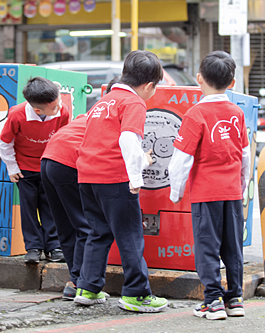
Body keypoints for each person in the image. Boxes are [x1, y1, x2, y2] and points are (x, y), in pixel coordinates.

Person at [74, 50, 168, 313]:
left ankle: (87, 288)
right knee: (130, 237)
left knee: (98, 232)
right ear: (149, 85)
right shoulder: (134, 102)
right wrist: (135, 177)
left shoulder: (104, 101)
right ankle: (137, 294)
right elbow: (128, 139)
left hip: (87, 176)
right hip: (114, 178)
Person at [168, 50, 250, 320]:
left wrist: (175, 191)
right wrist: (241, 186)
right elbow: (245, 155)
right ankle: (235, 298)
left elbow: (182, 159)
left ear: (199, 78)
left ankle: (212, 300)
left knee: (207, 246)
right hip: (233, 193)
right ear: (233, 82)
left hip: (206, 194)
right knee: (232, 246)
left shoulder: (195, 114)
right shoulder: (237, 112)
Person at [40, 77, 120, 301]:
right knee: (87, 226)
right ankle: (84, 284)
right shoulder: (116, 114)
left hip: (48, 159)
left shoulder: (95, 110)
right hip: (68, 162)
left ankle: (74, 282)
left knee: (66, 226)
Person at [0, 77, 69, 264]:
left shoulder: (63, 113)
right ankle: (33, 247)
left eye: (59, 103)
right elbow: (4, 143)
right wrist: (12, 168)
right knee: (28, 207)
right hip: (24, 169)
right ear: (37, 110)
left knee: (50, 206)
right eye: (54, 107)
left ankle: (54, 246)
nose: (58, 108)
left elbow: (64, 139)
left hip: (48, 166)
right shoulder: (17, 115)